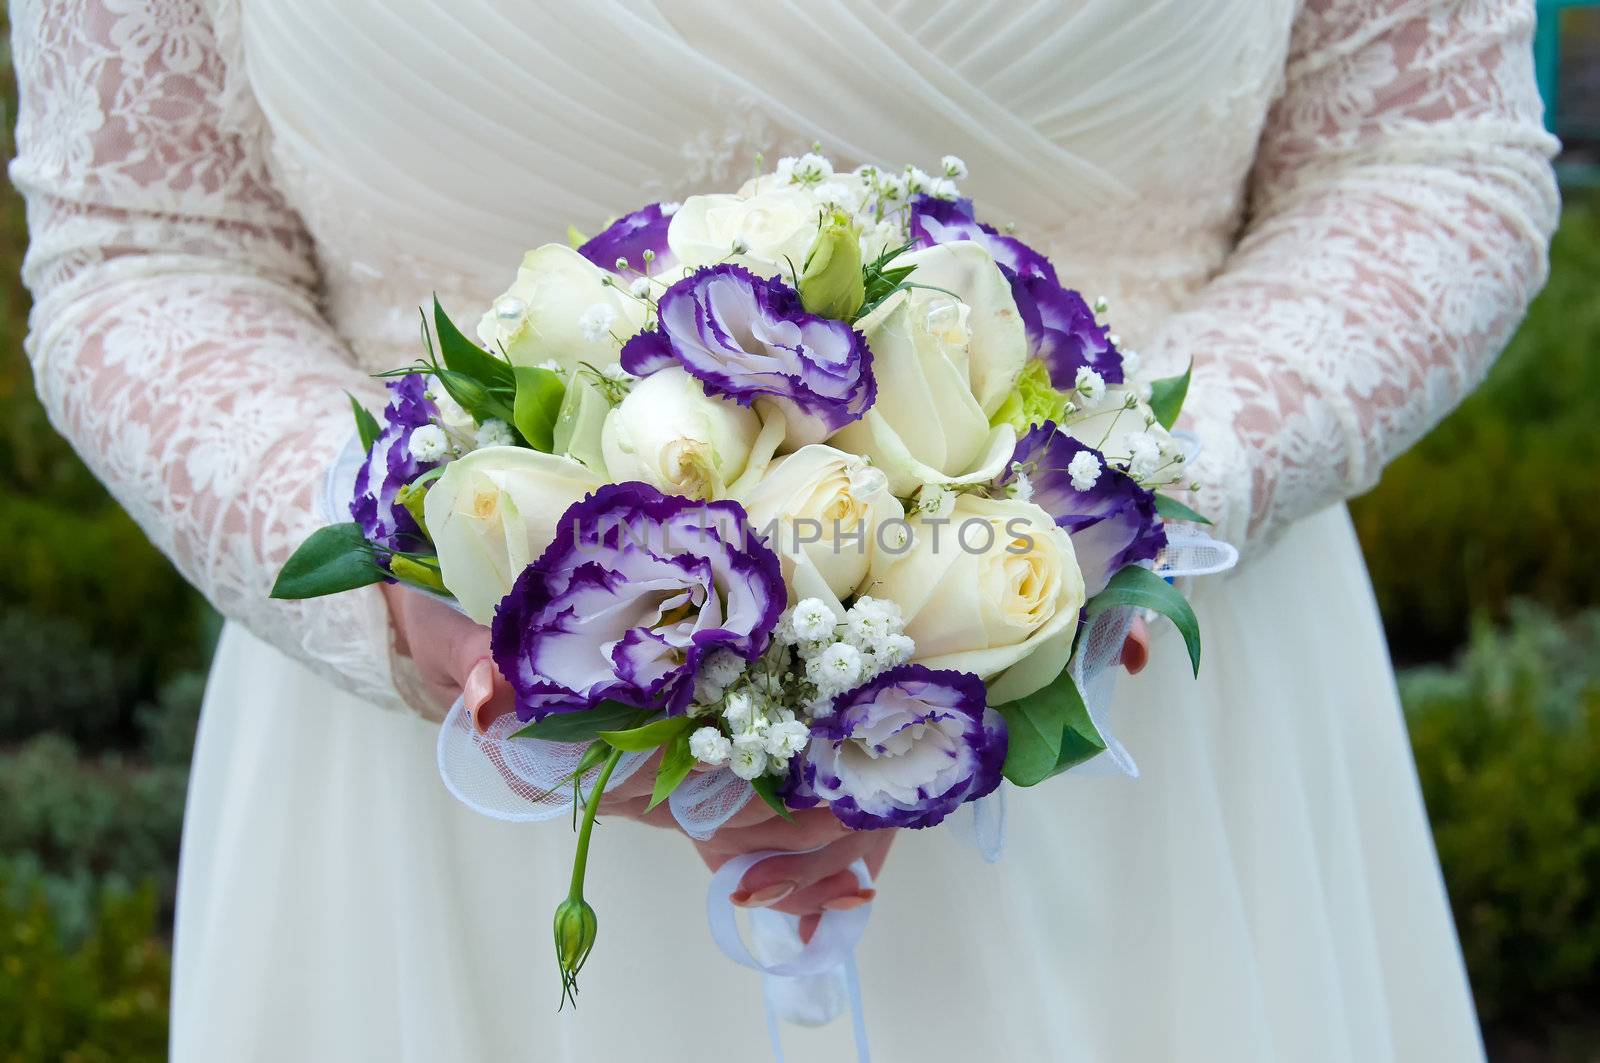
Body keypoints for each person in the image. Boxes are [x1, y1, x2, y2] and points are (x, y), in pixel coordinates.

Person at [9, 1, 1558, 1059]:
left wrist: (1111, 507)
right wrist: (430, 608)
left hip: (1145, 759)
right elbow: (149, 245)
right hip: (461, 779)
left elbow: (1422, 158)